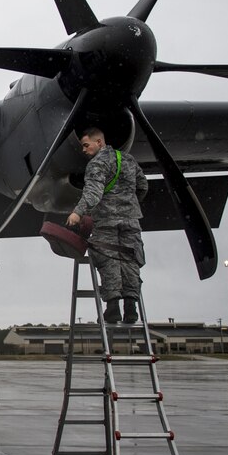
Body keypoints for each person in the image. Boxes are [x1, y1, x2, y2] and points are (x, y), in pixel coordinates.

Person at [66, 128, 148, 324]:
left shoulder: (96, 164)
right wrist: (129, 204)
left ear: (100, 143)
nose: (84, 150)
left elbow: (93, 194)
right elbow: (143, 186)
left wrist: (77, 213)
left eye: (87, 145)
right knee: (130, 260)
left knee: (108, 259)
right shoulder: (128, 159)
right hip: (131, 220)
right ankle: (131, 308)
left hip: (106, 222)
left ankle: (112, 309)